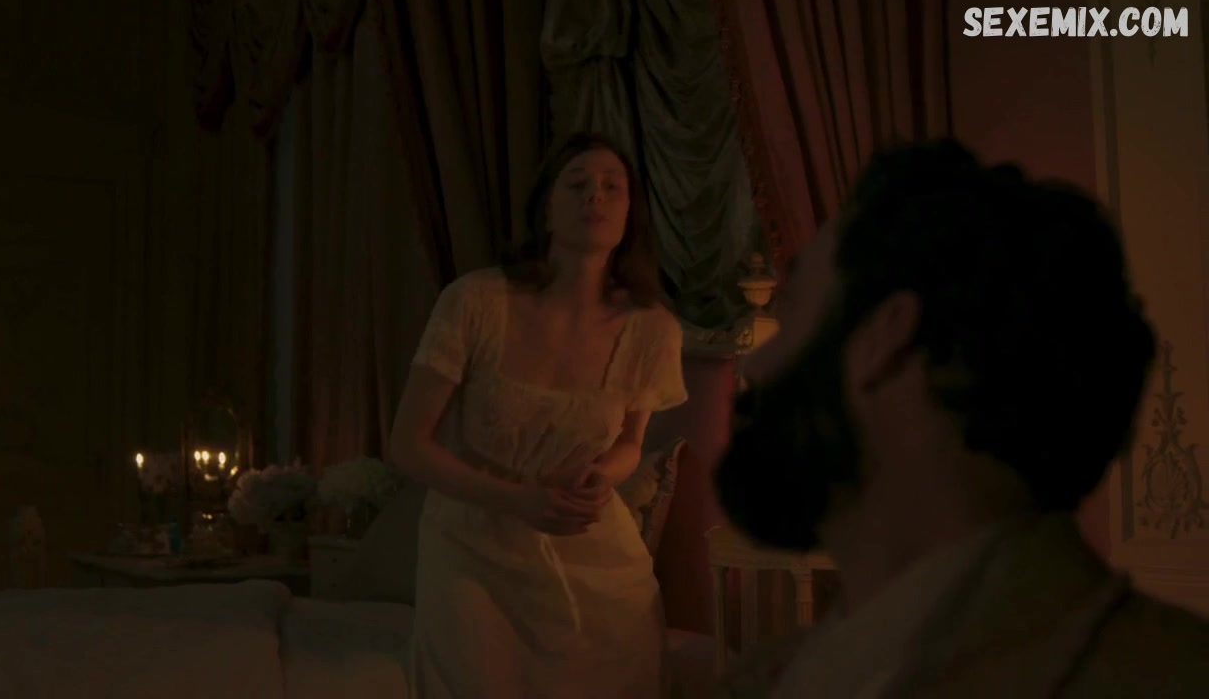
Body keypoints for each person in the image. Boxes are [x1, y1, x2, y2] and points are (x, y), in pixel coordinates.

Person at [713, 139, 1209, 698]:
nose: (754, 364)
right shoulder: (766, 679)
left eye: (792, 306)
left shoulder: (1165, 678)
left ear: (883, 338)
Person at [389, 132, 688, 698]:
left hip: (588, 543)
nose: (595, 196)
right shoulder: (475, 302)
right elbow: (408, 445)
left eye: (612, 187)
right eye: (576, 185)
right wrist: (517, 500)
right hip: (473, 542)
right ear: (546, 210)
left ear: (630, 213)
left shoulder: (652, 329)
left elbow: (630, 442)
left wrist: (601, 475)